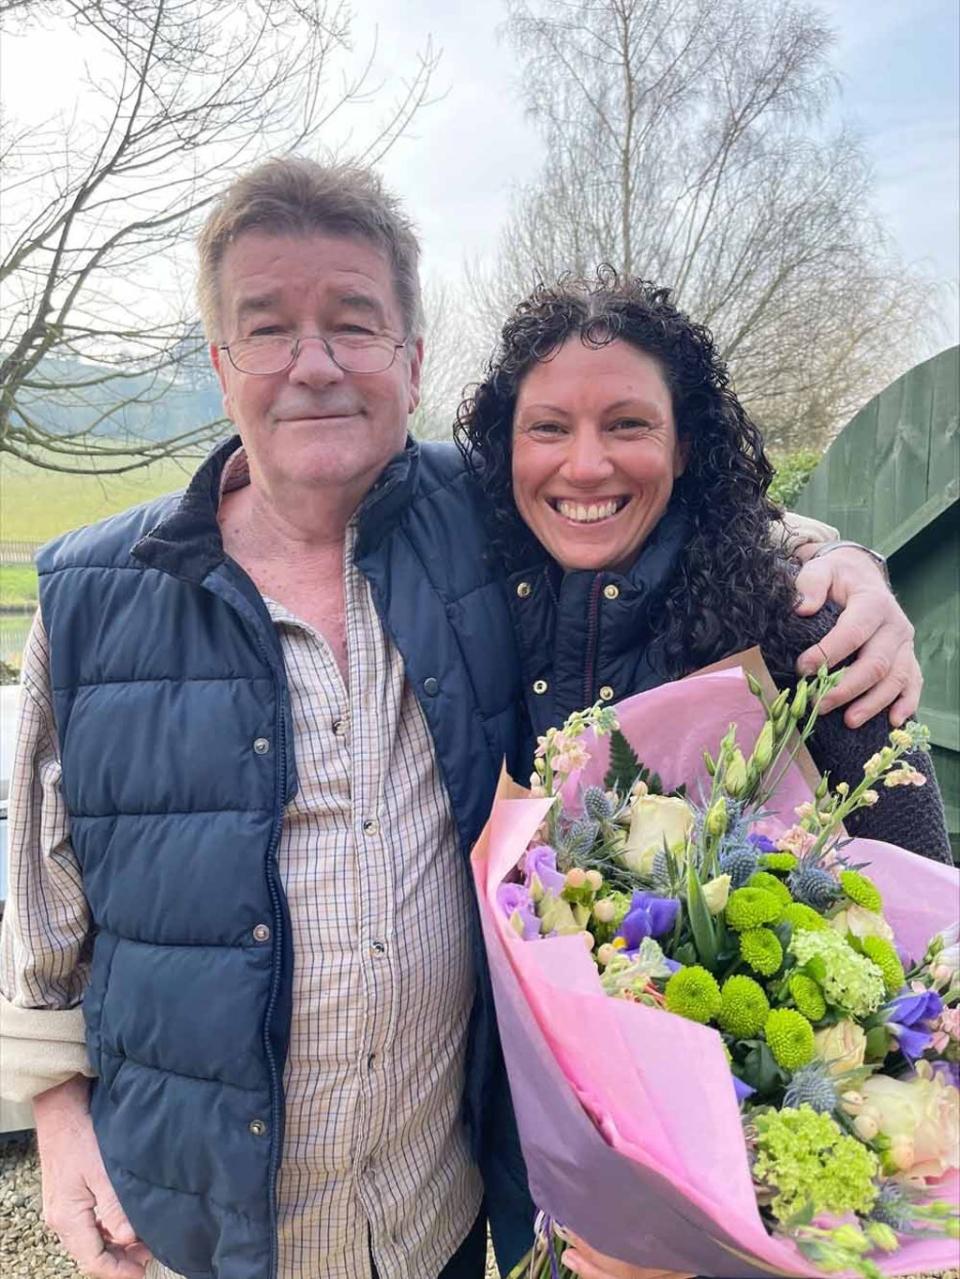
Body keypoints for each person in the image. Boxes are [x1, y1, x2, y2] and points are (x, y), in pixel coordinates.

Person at [0, 159, 928, 1279]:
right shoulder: (93, 598)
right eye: (268, 329)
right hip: (188, 1234)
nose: (316, 365)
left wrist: (837, 563)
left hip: (430, 1224)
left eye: (355, 324)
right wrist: (55, 1115)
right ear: (217, 361)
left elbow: (661, 491)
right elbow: (43, 910)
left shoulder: (474, 524)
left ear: (412, 357)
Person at [453, 274, 953, 1275]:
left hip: (746, 1212)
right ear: (505, 447)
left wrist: (689, 1224)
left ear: (685, 446)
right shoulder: (471, 598)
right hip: (505, 1159)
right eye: (548, 426)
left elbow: (926, 948)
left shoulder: (805, 627)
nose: (585, 463)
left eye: (628, 423)